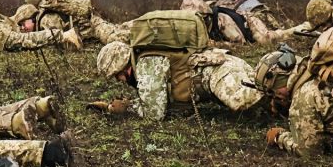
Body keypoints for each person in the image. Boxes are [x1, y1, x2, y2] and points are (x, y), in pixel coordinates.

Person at [95, 40, 262, 121]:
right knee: (257, 97)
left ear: (124, 66)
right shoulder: (146, 59)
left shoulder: (146, 64)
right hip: (223, 65)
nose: (119, 80)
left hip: (219, 71)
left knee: (247, 101)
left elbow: (154, 113)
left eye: (117, 75)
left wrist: (125, 108)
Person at [12, 0, 130, 45]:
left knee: (115, 39)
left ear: (31, 17)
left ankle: (146, 27)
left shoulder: (45, 20)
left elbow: (57, 36)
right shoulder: (45, 12)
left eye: (23, 24)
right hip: (89, 26)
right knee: (120, 28)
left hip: (92, 25)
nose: (23, 28)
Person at [179, 0, 307, 45]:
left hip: (248, 21)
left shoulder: (222, 21)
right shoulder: (190, 20)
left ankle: (300, 29)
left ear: (205, 16)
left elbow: (241, 44)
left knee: (266, 39)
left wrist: (215, 44)